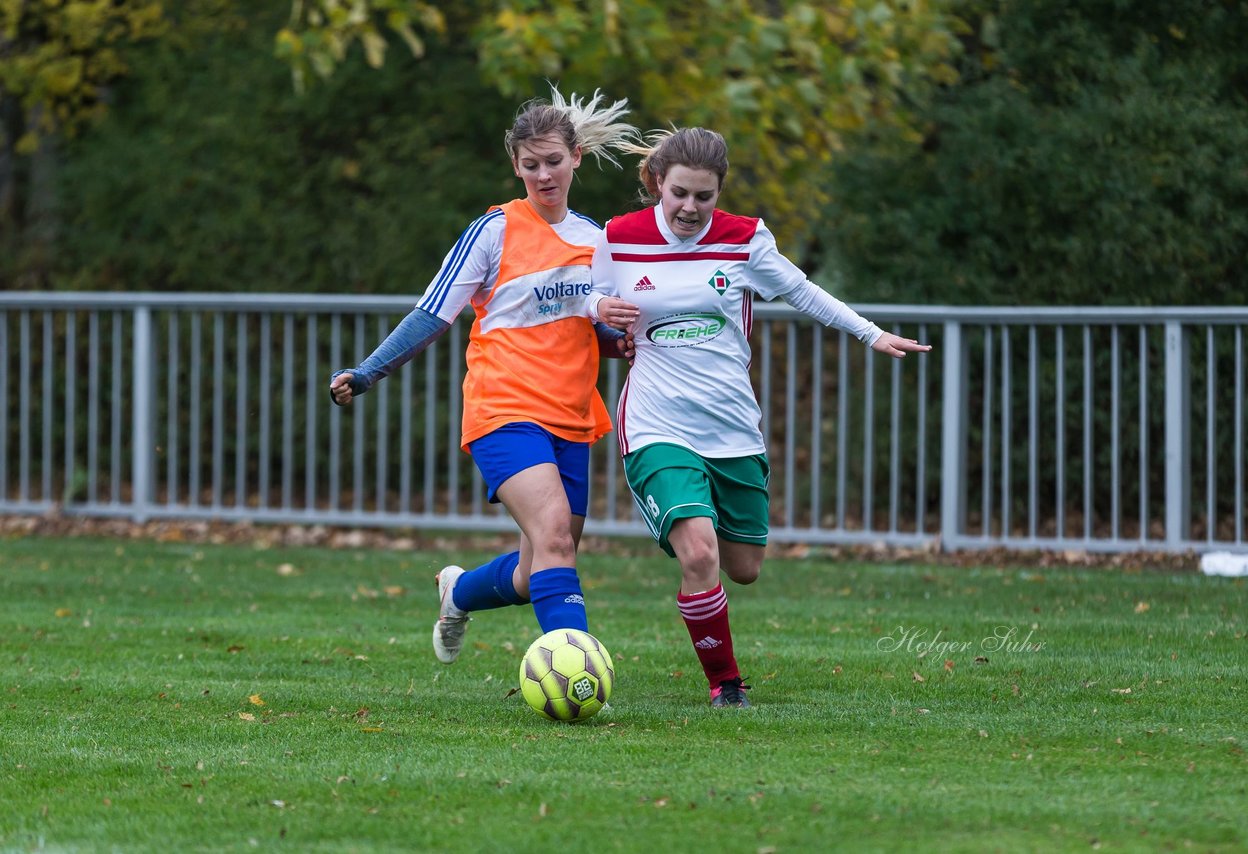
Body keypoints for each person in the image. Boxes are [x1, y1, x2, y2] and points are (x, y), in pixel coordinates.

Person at [589, 127, 931, 708]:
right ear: (656, 186)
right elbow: (587, 299)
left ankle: (702, 561)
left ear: (719, 192)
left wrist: (869, 333)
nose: (691, 208)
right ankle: (726, 685)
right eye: (679, 194)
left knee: (743, 567)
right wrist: (599, 310)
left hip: (731, 427)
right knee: (700, 553)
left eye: (704, 196)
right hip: (656, 422)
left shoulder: (745, 240)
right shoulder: (618, 238)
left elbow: (803, 292)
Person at [329, 88, 640, 665]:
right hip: (504, 408)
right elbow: (432, 313)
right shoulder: (493, 231)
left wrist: (619, 341)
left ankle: (458, 592)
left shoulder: (597, 241)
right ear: (515, 166)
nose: (543, 174)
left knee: (538, 567)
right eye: (530, 164)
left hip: (571, 414)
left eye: (553, 161)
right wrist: (368, 371)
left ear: (575, 156)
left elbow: (586, 326)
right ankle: (577, 670)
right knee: (553, 538)